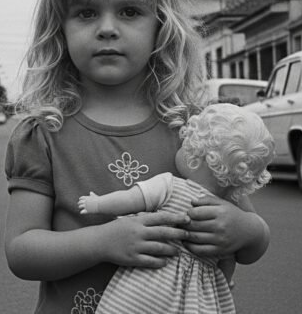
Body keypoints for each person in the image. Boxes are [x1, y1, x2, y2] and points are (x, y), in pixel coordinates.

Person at [4, 0, 271, 314]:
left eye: (130, 11)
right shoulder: (44, 133)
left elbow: (254, 238)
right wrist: (103, 241)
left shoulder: (194, 128)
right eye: (86, 12)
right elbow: (22, 250)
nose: (107, 27)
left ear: (161, 25)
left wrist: (245, 230)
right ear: (59, 27)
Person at [78, 103, 275, 313]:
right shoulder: (227, 212)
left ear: (195, 157)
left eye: (185, 144)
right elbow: (228, 262)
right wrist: (222, 285)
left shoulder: (170, 185)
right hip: (197, 299)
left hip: (148, 285)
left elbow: (131, 199)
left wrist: (98, 203)